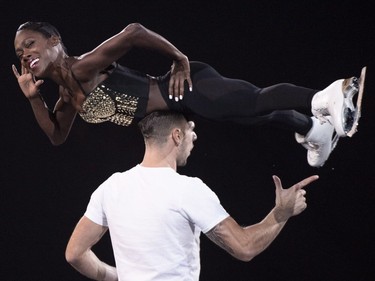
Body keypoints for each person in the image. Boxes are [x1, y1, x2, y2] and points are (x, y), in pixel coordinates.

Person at [12, 21, 361, 167]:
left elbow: (133, 32)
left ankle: (328, 95)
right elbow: (57, 136)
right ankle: (317, 130)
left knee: (256, 101)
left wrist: (179, 60)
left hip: (185, 88)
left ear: (54, 41)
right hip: (185, 102)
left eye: (30, 43)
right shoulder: (66, 99)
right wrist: (33, 99)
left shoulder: (83, 67)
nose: (25, 54)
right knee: (254, 114)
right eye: (20, 53)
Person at [65, 110, 319, 281]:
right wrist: (281, 213)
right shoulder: (188, 189)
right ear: (177, 135)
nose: (194, 136)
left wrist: (119, 276)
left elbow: (75, 253)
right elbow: (245, 247)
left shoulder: (112, 187)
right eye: (191, 129)